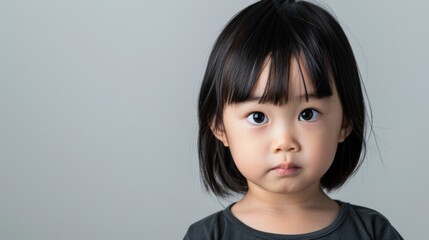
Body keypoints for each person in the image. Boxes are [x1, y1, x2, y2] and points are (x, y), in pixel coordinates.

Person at [184, 0, 403, 239]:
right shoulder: (208, 235)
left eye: (307, 114)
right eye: (258, 117)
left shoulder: (373, 233)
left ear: (345, 121)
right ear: (218, 126)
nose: (285, 141)